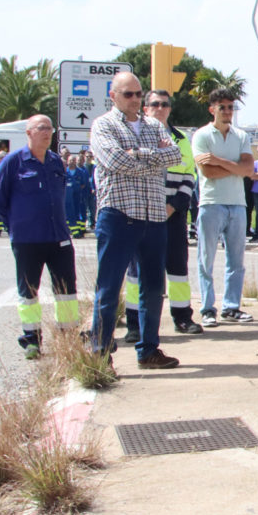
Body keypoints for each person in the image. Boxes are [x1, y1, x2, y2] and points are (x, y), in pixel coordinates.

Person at [89, 72, 182, 369]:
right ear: (114, 95)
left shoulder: (154, 125)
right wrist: (153, 158)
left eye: (139, 94)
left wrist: (139, 154)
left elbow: (175, 154)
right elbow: (116, 161)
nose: (135, 99)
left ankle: (149, 349)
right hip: (119, 215)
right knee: (109, 288)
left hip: (153, 217)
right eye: (128, 94)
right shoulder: (103, 125)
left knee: (153, 287)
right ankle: (101, 353)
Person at [0, 115, 79, 359]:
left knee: (67, 291)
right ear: (28, 132)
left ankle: (68, 336)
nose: (47, 132)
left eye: (49, 128)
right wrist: (16, 228)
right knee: (28, 291)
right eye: (41, 128)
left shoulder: (55, 162)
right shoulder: (13, 162)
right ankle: (31, 340)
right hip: (27, 240)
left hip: (58, 237)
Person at [124, 90, 204, 340]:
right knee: (137, 273)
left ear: (170, 109)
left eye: (165, 104)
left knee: (178, 269)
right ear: (145, 108)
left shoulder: (181, 139)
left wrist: (173, 207)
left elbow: (189, 176)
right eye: (154, 104)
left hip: (173, 215)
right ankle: (135, 325)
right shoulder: (135, 135)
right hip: (142, 215)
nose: (160, 108)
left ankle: (182, 317)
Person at [192, 88, 255, 327]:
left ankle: (231, 307)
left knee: (236, 260)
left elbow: (248, 170)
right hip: (211, 202)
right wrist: (234, 167)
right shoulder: (202, 135)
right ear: (212, 110)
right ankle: (208, 308)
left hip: (237, 204)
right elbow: (206, 171)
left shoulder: (241, 136)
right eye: (223, 107)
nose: (228, 111)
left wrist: (219, 160)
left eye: (230, 107)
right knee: (206, 258)